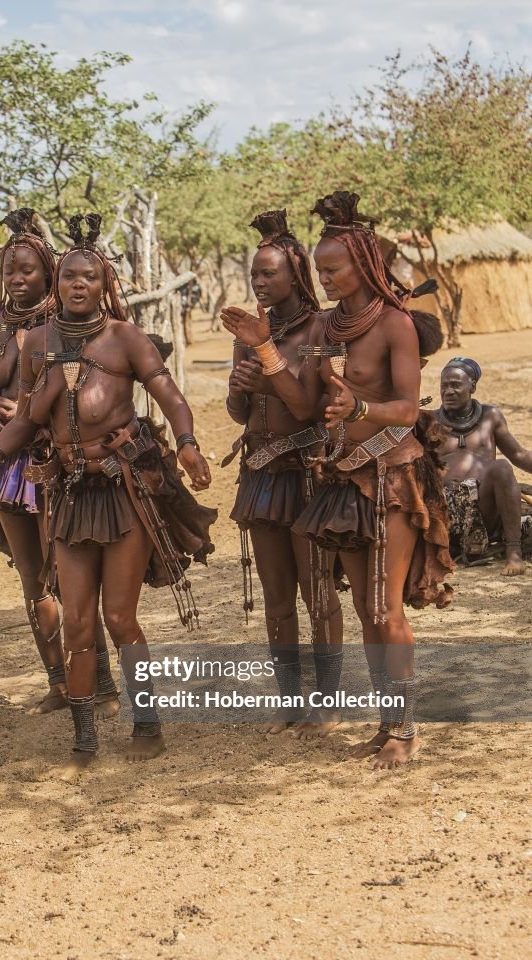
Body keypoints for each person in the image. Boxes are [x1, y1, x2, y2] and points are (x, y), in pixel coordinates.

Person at [0, 212, 215, 778]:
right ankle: (85, 736)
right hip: (68, 491)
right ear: (58, 281)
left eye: (88, 278)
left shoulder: (124, 339)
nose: (77, 284)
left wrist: (188, 442)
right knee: (76, 620)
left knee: (119, 617)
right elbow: (23, 421)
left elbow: (166, 391)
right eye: (69, 275)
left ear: (104, 286)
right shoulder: (38, 343)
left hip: (121, 489)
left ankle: (147, 724)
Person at [221, 191, 453, 769]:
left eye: (333, 269)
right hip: (341, 480)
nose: (323, 279)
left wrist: (358, 412)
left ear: (364, 266)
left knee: (385, 606)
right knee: (367, 611)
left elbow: (406, 407)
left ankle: (403, 730)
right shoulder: (328, 326)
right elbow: (302, 401)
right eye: (319, 270)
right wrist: (265, 349)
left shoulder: (395, 326)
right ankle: (386, 723)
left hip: (390, 475)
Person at [0, 209, 118, 716]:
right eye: (10, 270)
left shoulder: (63, 327)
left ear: (49, 271)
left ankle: (101, 684)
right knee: (33, 578)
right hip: (9, 468)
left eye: (27, 269)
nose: (17, 278)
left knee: (67, 575)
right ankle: (58, 682)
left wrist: (34, 414)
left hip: (56, 462)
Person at [223, 209, 343, 738]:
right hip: (260, 473)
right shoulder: (251, 330)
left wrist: (267, 378)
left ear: (296, 274)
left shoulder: (319, 328)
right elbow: (236, 411)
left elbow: (313, 406)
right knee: (276, 596)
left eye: (269, 273)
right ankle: (289, 699)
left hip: (307, 471)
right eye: (254, 274)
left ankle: (331, 700)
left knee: (317, 591)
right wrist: (239, 385)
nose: (260, 282)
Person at [438, 356, 532, 575]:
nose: (448, 391)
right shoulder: (430, 421)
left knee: (501, 467)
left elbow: (518, 454)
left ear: (472, 386)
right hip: (444, 515)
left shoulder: (491, 417)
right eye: (444, 386)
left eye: (455, 385)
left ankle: (513, 552)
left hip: (484, 509)